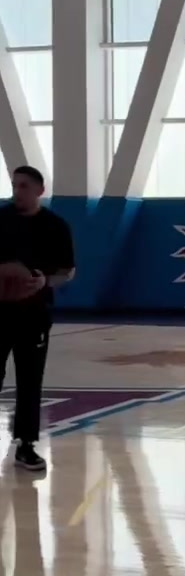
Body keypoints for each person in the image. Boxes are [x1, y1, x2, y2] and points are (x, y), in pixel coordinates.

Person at [0, 166, 75, 473]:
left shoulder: (55, 226)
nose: (17, 191)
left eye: (24, 186)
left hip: (34, 314)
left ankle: (26, 445)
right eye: (14, 185)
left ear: (39, 191)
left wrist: (45, 281)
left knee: (30, 380)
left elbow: (67, 272)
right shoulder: (1, 219)